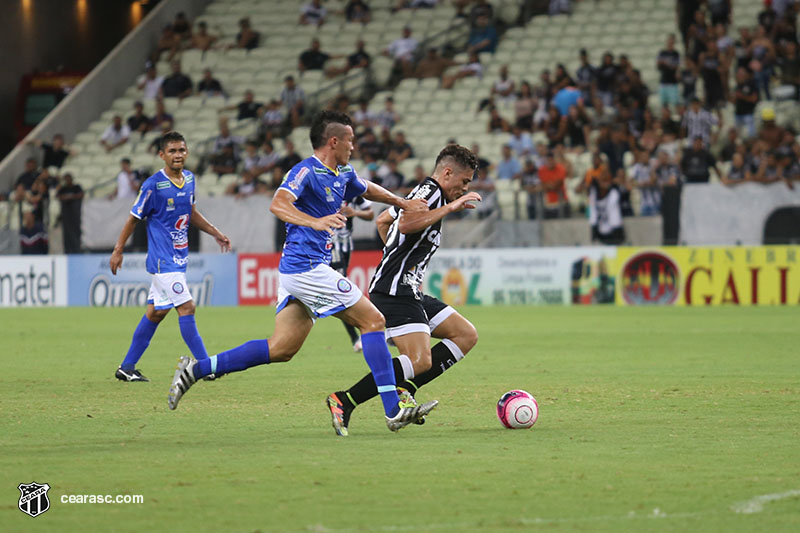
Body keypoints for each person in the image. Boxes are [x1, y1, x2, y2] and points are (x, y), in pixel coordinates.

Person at [166, 111, 437, 434]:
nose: (354, 145)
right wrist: (314, 221)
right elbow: (278, 204)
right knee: (374, 320)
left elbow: (367, 188)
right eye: (350, 140)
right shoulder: (305, 171)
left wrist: (402, 202)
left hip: (300, 271)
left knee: (281, 348)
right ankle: (393, 408)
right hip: (306, 268)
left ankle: (196, 370)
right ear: (333, 141)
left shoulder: (342, 172)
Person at [326, 144, 482, 437]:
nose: (464, 189)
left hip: (407, 288)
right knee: (420, 361)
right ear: (447, 173)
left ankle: (404, 389)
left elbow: (385, 220)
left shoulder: (423, 193)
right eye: (463, 182)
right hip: (394, 291)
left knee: (465, 335)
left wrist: (396, 253)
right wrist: (450, 207)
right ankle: (344, 400)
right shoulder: (433, 194)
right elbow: (408, 223)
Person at [109, 131, 231, 382]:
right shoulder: (153, 185)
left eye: (182, 150)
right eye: (172, 151)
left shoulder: (189, 179)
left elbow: (192, 212)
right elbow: (134, 218)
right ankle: (207, 367)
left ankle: (127, 367)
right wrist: (118, 250)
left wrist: (215, 232)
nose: (178, 155)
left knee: (155, 313)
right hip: (163, 261)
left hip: (178, 258)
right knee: (187, 307)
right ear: (161, 155)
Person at [330, 196, 374, 351]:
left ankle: (359, 336)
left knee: (339, 289)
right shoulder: (324, 188)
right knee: (340, 288)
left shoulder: (353, 192)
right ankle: (358, 336)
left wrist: (354, 212)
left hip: (346, 244)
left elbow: (370, 214)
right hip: (329, 245)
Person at [56, 172, 83, 254]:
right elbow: (58, 196)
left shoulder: (76, 187)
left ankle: (77, 249)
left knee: (76, 232)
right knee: (67, 235)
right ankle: (67, 250)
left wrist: (70, 197)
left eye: (69, 179)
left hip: (75, 214)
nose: (67, 181)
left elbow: (80, 195)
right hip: (66, 215)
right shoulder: (63, 189)